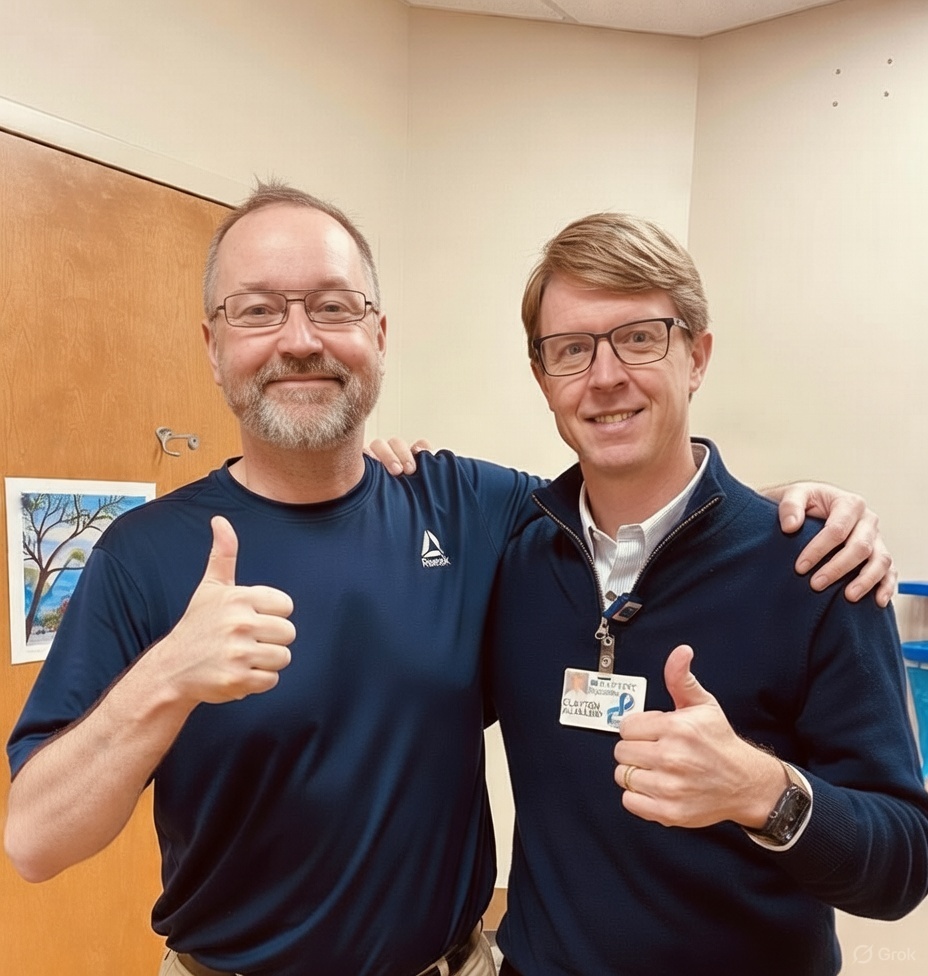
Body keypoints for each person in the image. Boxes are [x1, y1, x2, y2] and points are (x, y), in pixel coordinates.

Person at [2, 184, 895, 976]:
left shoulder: (474, 511)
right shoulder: (141, 554)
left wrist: (779, 512)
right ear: (212, 343)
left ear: (379, 337)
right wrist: (167, 678)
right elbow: (33, 844)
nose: (302, 340)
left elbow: (639, 506)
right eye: (259, 312)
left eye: (334, 307)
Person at [477, 212, 928, 975]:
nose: (606, 375)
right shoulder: (513, 555)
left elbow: (902, 866)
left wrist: (764, 792)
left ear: (697, 355)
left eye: (641, 337)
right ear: (542, 378)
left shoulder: (814, 568)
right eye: (571, 350)